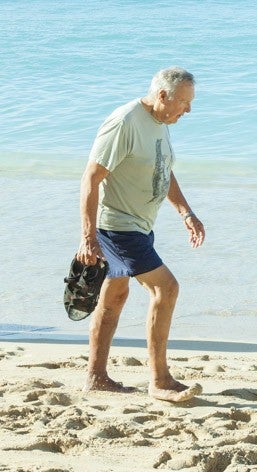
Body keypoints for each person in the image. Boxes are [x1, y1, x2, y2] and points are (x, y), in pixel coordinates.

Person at [77, 67, 205, 400]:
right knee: (167, 288)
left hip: (140, 225)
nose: (187, 110)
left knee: (115, 296)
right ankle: (160, 381)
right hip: (117, 226)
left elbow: (163, 171)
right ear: (162, 95)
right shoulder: (125, 122)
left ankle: (95, 376)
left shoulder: (160, 123)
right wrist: (88, 238)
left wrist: (185, 212)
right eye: (183, 102)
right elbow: (90, 178)